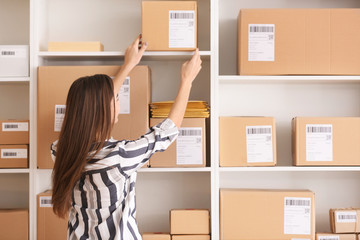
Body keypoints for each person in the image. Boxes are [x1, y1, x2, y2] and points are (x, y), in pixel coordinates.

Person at [50, 35, 202, 240]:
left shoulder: (60, 151)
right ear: (104, 110)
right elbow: (167, 132)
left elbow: (97, 105)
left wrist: (128, 65)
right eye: (117, 98)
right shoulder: (118, 157)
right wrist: (187, 81)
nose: (119, 102)